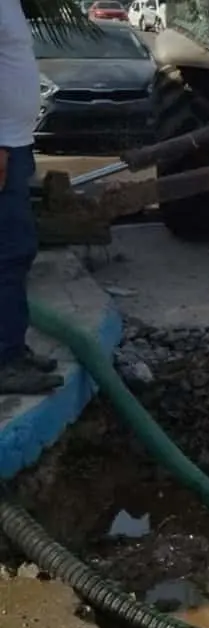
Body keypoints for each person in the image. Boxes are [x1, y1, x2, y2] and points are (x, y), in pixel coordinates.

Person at [0, 0, 63, 394]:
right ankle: (4, 361)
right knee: (9, 251)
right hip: (3, 145)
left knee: (16, 253)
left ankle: (13, 349)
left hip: (14, 144)